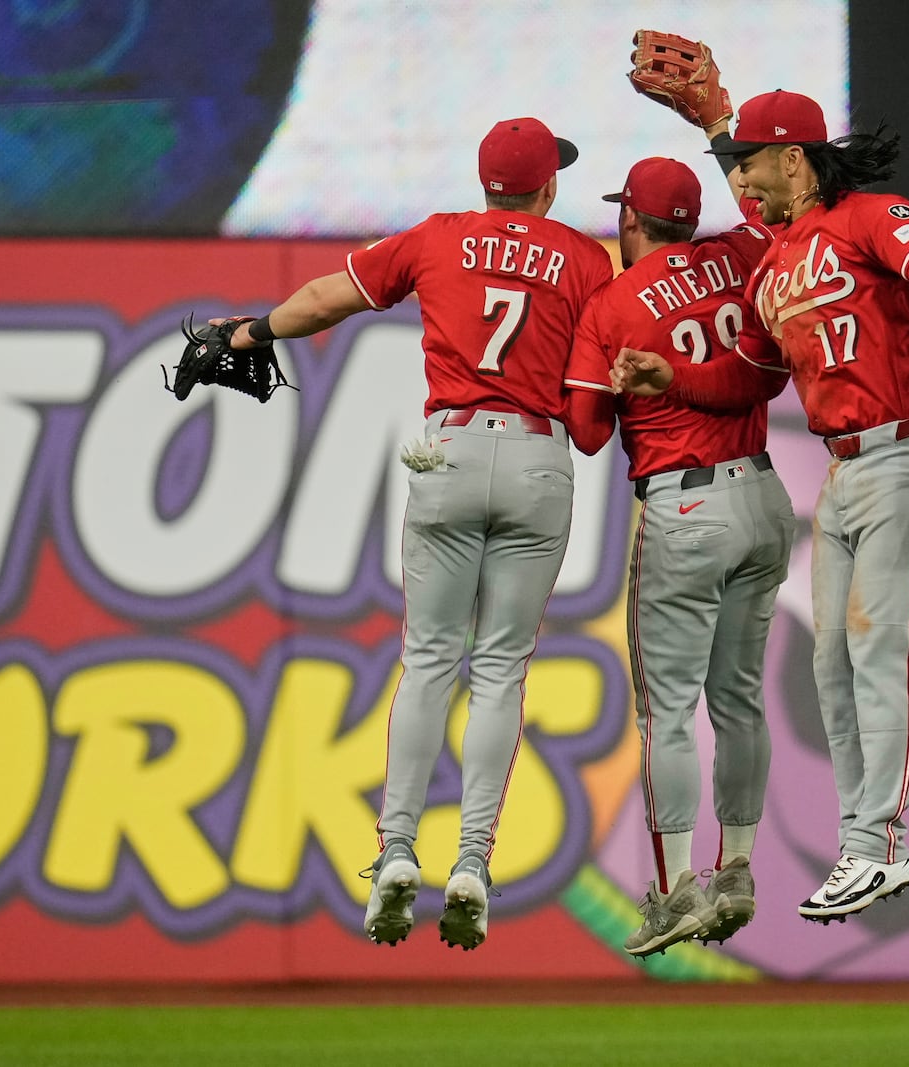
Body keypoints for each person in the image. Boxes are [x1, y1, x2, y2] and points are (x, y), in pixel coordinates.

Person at [218, 117, 614, 950]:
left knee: (431, 657)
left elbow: (326, 299)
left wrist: (247, 333)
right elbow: (608, 368)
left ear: (485, 183)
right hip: (540, 456)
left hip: (451, 446)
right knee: (502, 666)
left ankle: (397, 847)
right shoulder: (582, 258)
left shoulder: (438, 238)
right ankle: (473, 858)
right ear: (548, 188)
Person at [614, 89, 909, 923]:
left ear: (794, 159)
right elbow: (745, 377)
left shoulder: (866, 216)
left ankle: (878, 845)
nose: (741, 182)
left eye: (749, 162)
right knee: (832, 665)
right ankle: (861, 840)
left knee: (880, 645)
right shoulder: (775, 265)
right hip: (845, 470)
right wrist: (670, 378)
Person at [563, 157, 793, 955]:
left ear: (631, 219)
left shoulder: (613, 303)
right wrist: (722, 135)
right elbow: (780, 217)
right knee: (738, 700)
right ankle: (737, 870)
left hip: (685, 505)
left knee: (668, 711)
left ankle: (674, 891)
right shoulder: (743, 250)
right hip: (763, 495)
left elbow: (589, 433)